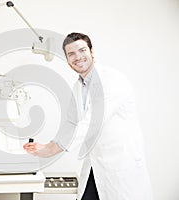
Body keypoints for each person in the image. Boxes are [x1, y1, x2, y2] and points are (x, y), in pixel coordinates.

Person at [23, 33, 153, 200]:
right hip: (96, 164)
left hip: (120, 164)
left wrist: (51, 150)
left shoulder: (112, 80)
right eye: (71, 54)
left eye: (82, 50)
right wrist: (48, 146)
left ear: (92, 52)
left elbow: (92, 123)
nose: (77, 57)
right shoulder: (78, 87)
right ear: (67, 60)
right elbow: (70, 123)